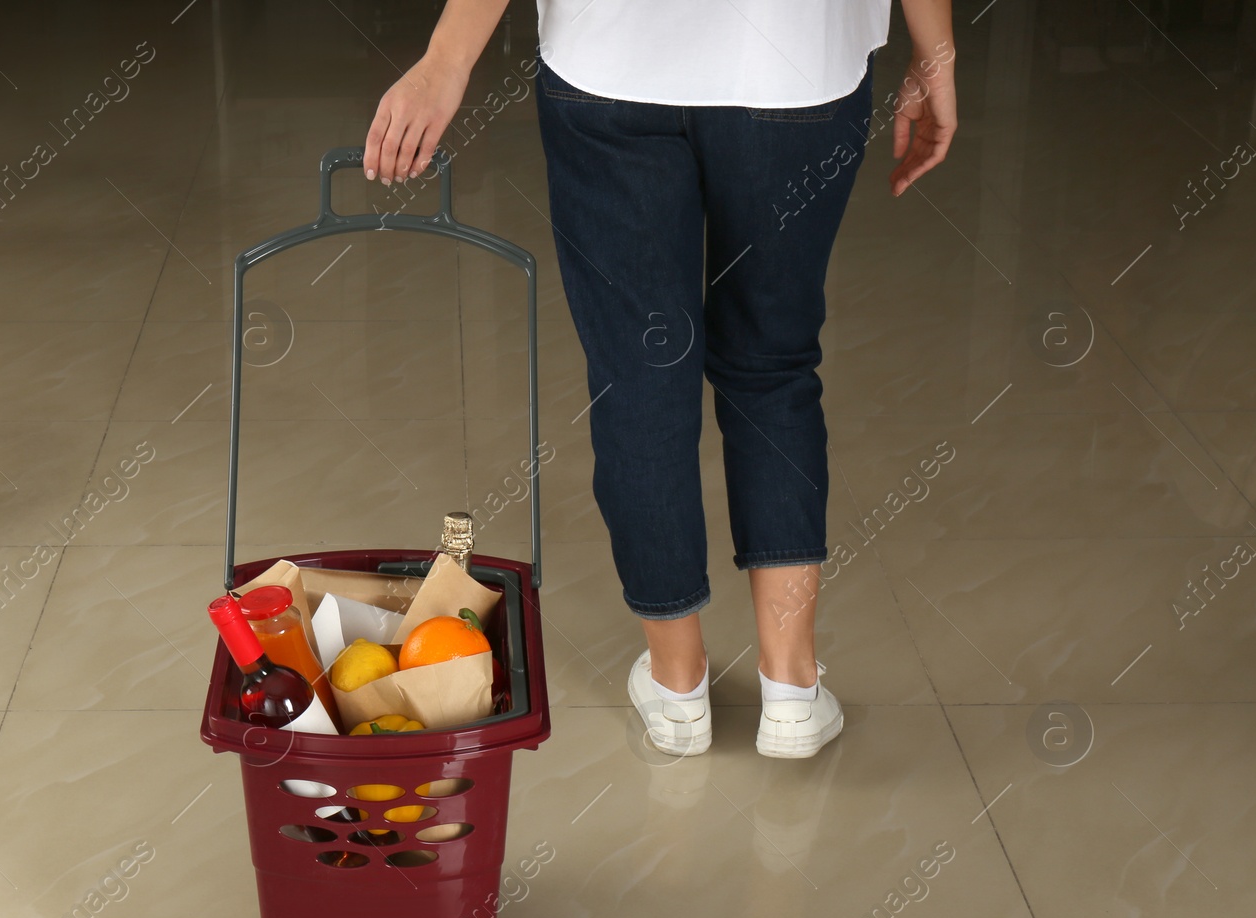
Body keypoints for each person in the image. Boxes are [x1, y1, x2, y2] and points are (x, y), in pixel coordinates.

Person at [365, 1, 957, 758]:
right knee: (773, 363)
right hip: (799, 68)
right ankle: (791, 684)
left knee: (640, 372)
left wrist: (448, 58)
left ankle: (678, 688)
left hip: (613, 63)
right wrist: (934, 52)